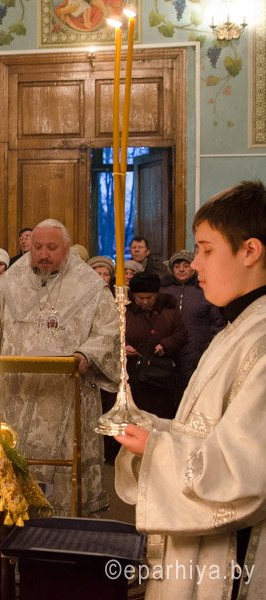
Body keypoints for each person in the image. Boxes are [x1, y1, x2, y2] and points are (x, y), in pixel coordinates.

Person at [116, 180, 266, 599]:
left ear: (250, 251)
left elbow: (244, 476)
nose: (195, 263)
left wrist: (155, 447)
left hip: (234, 561)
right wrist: (153, 427)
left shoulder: (260, 340)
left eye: (206, 249)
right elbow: (208, 430)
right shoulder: (239, 326)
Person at [0, 219, 120, 516]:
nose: (43, 254)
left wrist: (86, 354)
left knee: (65, 469)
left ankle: (66, 525)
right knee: (13, 461)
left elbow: (109, 331)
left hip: (66, 395)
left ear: (67, 248)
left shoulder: (90, 286)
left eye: (51, 247)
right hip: (15, 394)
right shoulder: (10, 282)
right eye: (37, 247)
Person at [161, 249, 225, 397]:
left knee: (191, 391)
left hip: (197, 351)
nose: (181, 270)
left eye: (186, 265)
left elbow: (217, 323)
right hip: (168, 350)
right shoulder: (164, 290)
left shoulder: (204, 289)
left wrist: (210, 348)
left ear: (194, 267)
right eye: (177, 266)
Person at [124, 272, 187, 418]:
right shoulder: (124, 310)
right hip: (132, 375)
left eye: (149, 298)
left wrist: (165, 345)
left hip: (160, 376)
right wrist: (124, 346)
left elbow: (181, 333)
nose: (145, 302)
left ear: (157, 295)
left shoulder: (169, 309)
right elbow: (114, 334)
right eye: (140, 298)